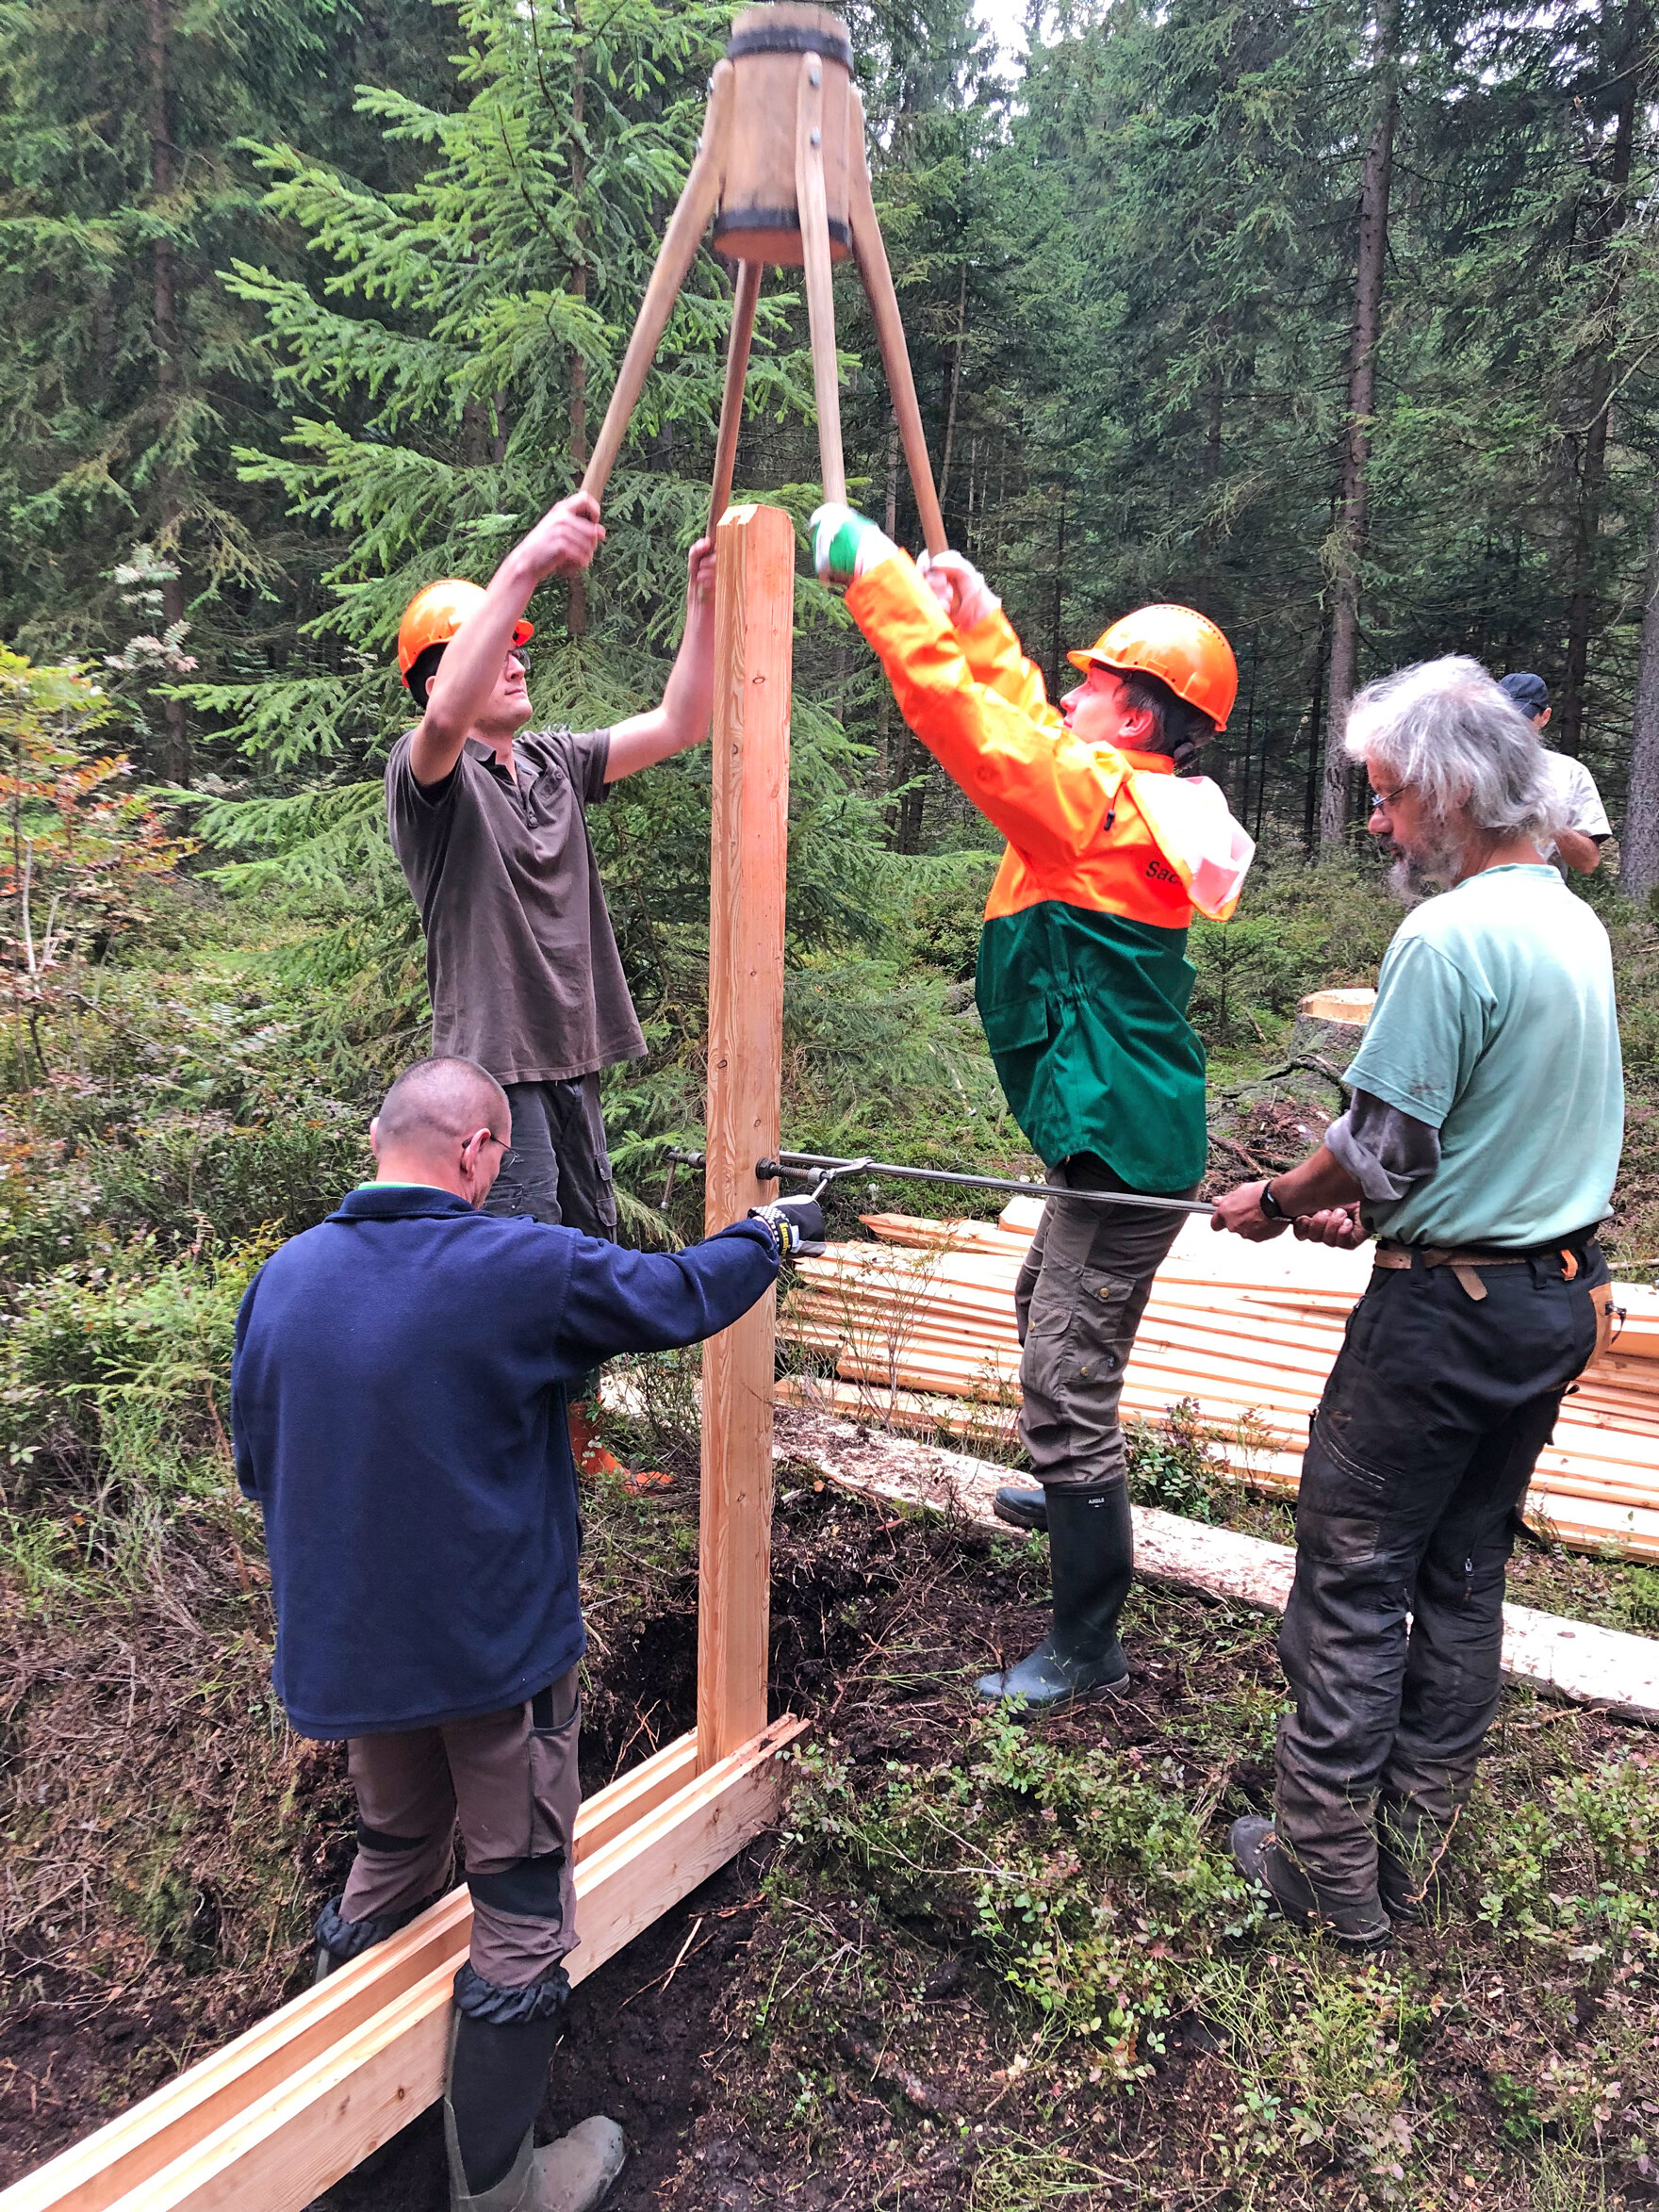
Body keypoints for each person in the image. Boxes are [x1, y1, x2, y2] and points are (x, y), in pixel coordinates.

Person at [231, 1057, 818, 2212]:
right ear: (478, 1151)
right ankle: (499, 2189)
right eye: (499, 1156)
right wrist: (771, 1236)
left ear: (378, 1136)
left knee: (393, 1850)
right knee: (517, 1897)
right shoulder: (517, 1266)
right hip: (492, 1658)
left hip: (350, 1657)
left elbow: (264, 1465)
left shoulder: (284, 1279)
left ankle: (352, 2138)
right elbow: (676, 1296)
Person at [810, 501, 1254, 1710]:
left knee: (1066, 1378)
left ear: (1140, 714)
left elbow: (967, 727)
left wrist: (880, 586)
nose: (1074, 693)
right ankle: (1065, 1491)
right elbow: (1019, 714)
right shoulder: (1119, 793)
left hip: (1121, 1150)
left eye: (1097, 682)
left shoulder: (1094, 815)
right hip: (1103, 1135)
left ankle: (1086, 1639)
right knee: (1036, 1304)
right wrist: (980, 614)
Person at [1210, 656, 1623, 1948]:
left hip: (1442, 1328)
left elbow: (1379, 1146)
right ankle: (1414, 1831)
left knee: (1354, 1571)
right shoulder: (1570, 917)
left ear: (1449, 792)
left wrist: (1282, 1196)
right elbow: (1471, 1140)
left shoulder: (1446, 936)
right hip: (1552, 1300)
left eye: (1388, 798)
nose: (1381, 822)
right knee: (1462, 1564)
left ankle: (1323, 1866)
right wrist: (1377, 1210)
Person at [387, 493, 718, 1487]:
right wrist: (526, 558)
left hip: (569, 1059)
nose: (519, 658)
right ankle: (500, 1450)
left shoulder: (553, 763)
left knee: (577, 1251)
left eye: (525, 646)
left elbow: (680, 721)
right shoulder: (428, 779)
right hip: (495, 1072)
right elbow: (445, 716)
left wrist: (702, 606)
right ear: (442, 675)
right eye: (499, 647)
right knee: (514, 1263)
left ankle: (573, 1445)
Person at [1497, 671, 1609, 875]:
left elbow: (1588, 862)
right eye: (1504, 717)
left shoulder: (1570, 773)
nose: (1512, 726)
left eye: (1522, 717)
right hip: (1476, 897)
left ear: (1545, 717)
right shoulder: (1472, 769)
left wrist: (1549, 819)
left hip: (1544, 898)